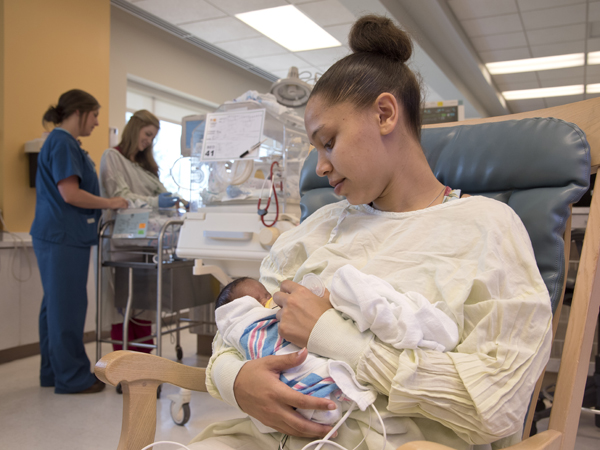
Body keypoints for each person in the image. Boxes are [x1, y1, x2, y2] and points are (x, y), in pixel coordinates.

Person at [189, 15, 553, 450]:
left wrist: (335, 338)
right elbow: (240, 327)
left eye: (328, 142)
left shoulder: (487, 227)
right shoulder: (318, 229)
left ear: (384, 114)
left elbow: (498, 404)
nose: (320, 167)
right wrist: (237, 380)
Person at [30, 89, 128, 394]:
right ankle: (72, 377)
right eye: (95, 114)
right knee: (67, 308)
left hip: (57, 234)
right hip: (63, 236)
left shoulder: (63, 143)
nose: (97, 122)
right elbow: (70, 194)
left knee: (54, 307)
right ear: (78, 112)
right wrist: (110, 203)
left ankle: (52, 372)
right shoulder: (62, 142)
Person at [99, 109, 183, 354]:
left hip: (146, 244)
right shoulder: (112, 157)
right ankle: (123, 368)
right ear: (134, 129)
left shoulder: (145, 168)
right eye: (147, 134)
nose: (148, 140)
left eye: (153, 137)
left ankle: (144, 366)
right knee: (121, 307)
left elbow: (157, 196)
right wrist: (157, 203)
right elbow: (121, 198)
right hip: (120, 244)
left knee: (145, 305)